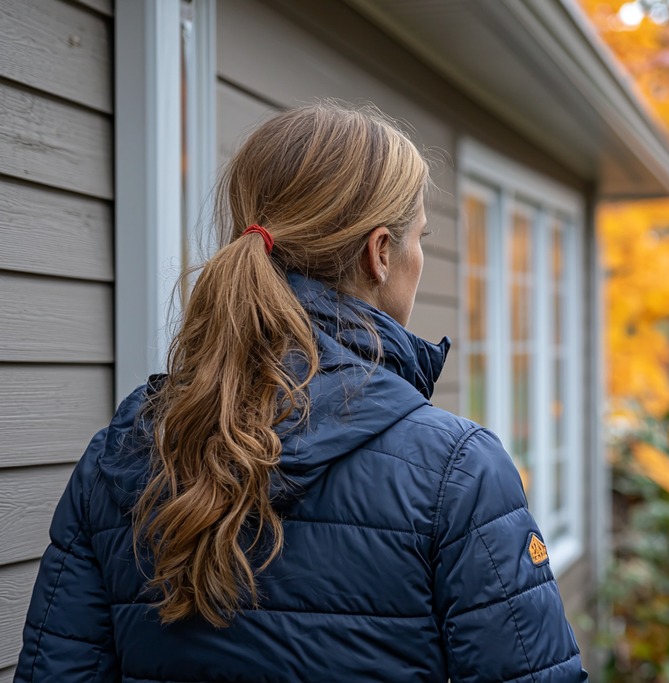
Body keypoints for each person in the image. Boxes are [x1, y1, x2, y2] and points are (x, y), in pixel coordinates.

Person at [15, 103, 587, 682]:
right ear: (381, 252)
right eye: (421, 239)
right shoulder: (456, 471)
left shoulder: (124, 449)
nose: (419, 259)